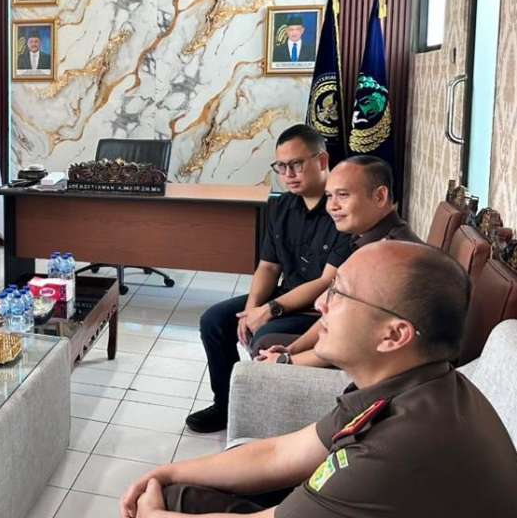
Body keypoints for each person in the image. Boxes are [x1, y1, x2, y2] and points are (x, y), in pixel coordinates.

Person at [120, 241, 517, 517]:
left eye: (340, 294)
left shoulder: (401, 446)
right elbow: (280, 454)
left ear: (393, 335)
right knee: (178, 492)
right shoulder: (409, 386)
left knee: (172, 503)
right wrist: (165, 472)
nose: (319, 303)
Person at [187, 124, 353, 433]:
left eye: (296, 164)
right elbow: (268, 267)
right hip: (287, 295)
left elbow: (325, 283)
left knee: (265, 333)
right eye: (281, 166)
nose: (288, 174)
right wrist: (251, 309)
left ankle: (265, 417)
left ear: (321, 160)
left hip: (320, 307)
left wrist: (270, 310)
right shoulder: (282, 206)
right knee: (214, 320)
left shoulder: (341, 207)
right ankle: (225, 405)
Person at [257, 156, 421, 368]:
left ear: (380, 196)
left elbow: (355, 341)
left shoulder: (388, 256)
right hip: (351, 342)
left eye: (343, 195)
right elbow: (334, 313)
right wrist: (291, 349)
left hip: (379, 364)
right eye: (329, 196)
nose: (331, 206)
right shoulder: (363, 240)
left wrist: (286, 360)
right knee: (266, 345)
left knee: (265, 351)